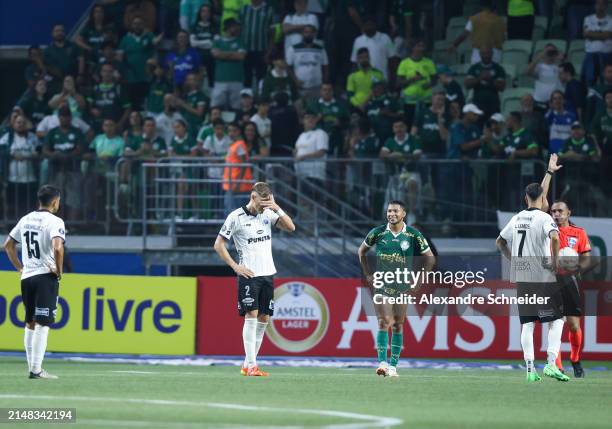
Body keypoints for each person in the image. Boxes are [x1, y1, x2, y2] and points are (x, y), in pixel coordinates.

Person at [214, 182, 295, 376]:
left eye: (268, 203)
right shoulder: (236, 217)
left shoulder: (268, 212)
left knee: (264, 318)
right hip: (249, 275)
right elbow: (218, 244)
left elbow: (291, 227)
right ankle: (251, 365)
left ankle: (247, 364)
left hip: (268, 273)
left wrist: (277, 208)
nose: (263, 207)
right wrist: (235, 266)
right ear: (253, 197)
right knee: (251, 316)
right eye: (262, 203)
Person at [496, 182, 569, 382]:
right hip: (542, 275)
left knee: (528, 324)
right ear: (543, 198)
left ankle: (530, 370)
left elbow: (500, 242)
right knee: (557, 320)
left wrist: (514, 260)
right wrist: (554, 262)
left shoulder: (517, 217)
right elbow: (554, 237)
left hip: (522, 275)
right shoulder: (545, 218)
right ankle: (551, 364)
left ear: (525, 197)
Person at [358, 200, 435, 378]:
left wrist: (419, 280)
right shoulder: (377, 233)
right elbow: (361, 251)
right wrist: (368, 274)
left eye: (395, 211)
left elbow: (430, 258)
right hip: (382, 284)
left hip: (402, 285)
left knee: (398, 325)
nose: (391, 214)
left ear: (403, 214)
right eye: (389, 211)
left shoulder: (413, 235)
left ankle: (393, 366)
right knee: (384, 321)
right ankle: (382, 363)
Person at [3, 185, 65, 379]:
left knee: (30, 322)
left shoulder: (26, 218)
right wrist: (59, 270)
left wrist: (20, 267)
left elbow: (8, 245)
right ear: (55, 201)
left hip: (27, 276)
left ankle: (33, 368)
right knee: (43, 323)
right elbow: (57, 247)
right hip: (45, 276)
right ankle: (36, 369)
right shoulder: (55, 221)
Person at [549, 200, 593, 378]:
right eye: (553, 211)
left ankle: (575, 359)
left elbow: (586, 258)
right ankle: (557, 366)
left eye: (560, 211)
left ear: (568, 213)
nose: (556, 214)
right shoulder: (548, 231)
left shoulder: (579, 233)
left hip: (570, 280)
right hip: (550, 281)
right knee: (555, 324)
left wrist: (577, 269)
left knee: (574, 326)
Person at [380, 119, 423, 223]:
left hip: (411, 172)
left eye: (401, 127)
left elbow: (417, 154)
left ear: (405, 128)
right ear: (393, 129)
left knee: (412, 184)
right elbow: (382, 154)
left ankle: (412, 214)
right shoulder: (390, 141)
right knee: (398, 197)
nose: (398, 129)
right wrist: (391, 156)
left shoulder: (413, 139)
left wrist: (401, 156)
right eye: (396, 127)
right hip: (396, 174)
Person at [118, 16, 162, 109]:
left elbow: (156, 46)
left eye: (139, 23)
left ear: (144, 25)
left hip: (146, 77)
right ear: (131, 25)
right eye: (135, 24)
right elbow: (120, 57)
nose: (137, 26)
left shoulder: (149, 36)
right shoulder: (125, 39)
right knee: (133, 104)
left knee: (146, 102)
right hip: (131, 77)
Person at [286, 24, 329, 101]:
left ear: (314, 34)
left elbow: (325, 67)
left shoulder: (320, 49)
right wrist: (295, 81)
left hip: (317, 86)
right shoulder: (293, 49)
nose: (308, 34)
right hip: (300, 86)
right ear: (302, 34)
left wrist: (324, 82)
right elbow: (288, 67)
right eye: (306, 32)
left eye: (310, 32)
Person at [211, 18, 246, 110]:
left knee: (237, 107)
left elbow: (241, 56)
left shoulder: (240, 41)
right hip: (220, 79)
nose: (238, 28)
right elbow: (216, 54)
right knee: (216, 107)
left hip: (237, 79)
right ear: (228, 27)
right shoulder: (218, 40)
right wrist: (233, 53)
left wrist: (223, 54)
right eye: (235, 26)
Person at [240, 0, 275, 88]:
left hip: (261, 51)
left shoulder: (269, 10)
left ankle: (261, 100)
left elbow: (272, 33)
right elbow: (238, 30)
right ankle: (246, 99)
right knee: (246, 78)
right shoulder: (244, 9)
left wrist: (269, 52)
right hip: (245, 51)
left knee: (261, 79)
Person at [307, 83, 350, 156]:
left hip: (336, 137)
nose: (327, 92)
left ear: (332, 91)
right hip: (318, 137)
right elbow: (307, 122)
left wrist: (340, 123)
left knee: (334, 161)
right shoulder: (313, 105)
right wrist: (317, 118)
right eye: (324, 90)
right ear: (320, 91)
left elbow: (347, 121)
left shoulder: (341, 104)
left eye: (329, 90)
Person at [87, 63, 131, 132]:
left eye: (110, 71)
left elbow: (128, 108)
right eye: (105, 71)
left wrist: (120, 123)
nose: (107, 74)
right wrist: (92, 110)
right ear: (101, 73)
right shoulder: (95, 89)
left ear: (113, 73)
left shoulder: (119, 88)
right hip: (98, 126)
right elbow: (88, 106)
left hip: (114, 127)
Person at [350, 16, 397, 80]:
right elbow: (354, 62)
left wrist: (392, 77)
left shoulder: (386, 38)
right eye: (366, 25)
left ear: (375, 25)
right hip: (362, 80)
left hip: (382, 79)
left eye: (370, 25)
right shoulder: (358, 41)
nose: (368, 27)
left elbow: (392, 59)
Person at [466, 47, 506, 120]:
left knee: (493, 128)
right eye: (483, 53)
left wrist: (490, 79)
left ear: (492, 54)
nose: (486, 56)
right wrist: (479, 78)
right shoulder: (474, 68)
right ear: (480, 54)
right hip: (478, 104)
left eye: (488, 53)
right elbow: (467, 85)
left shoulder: (498, 68)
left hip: (494, 104)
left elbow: (502, 87)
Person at [223, 122, 254, 213]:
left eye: (234, 131)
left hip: (238, 185)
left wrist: (238, 182)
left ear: (239, 132)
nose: (231, 133)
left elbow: (244, 164)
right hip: (232, 184)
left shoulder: (239, 145)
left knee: (235, 212)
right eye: (229, 131)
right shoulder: (234, 145)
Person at [43, 25, 85, 90]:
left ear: (64, 33)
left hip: (73, 81)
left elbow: (81, 59)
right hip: (56, 83)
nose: (59, 33)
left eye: (61, 31)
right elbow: (45, 67)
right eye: (57, 31)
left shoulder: (74, 46)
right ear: (52, 34)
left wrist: (80, 74)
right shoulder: (47, 51)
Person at [411, 91, 449, 158]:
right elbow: (413, 132)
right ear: (432, 100)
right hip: (423, 150)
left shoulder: (446, 115)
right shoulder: (422, 112)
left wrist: (440, 117)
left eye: (442, 100)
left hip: (439, 151)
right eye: (438, 99)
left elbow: (444, 137)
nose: (440, 102)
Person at [582, 0, 612, 86]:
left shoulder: (611, 19)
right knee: (589, 79)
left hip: (607, 54)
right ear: (595, 5)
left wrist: (593, 34)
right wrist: (602, 35)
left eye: (603, 4)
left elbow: (609, 35)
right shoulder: (588, 18)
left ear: (606, 6)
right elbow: (586, 34)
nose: (600, 6)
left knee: (607, 79)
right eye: (598, 3)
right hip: (591, 53)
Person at [526, 43, 562, 110]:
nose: (550, 54)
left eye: (552, 52)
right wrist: (539, 56)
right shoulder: (539, 67)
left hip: (553, 102)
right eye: (549, 52)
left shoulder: (559, 67)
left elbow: (565, 77)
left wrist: (560, 58)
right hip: (539, 101)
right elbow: (527, 72)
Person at [190, 4, 216, 88]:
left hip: (210, 57)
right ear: (200, 13)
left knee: (211, 81)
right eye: (203, 11)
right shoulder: (194, 26)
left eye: (207, 11)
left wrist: (199, 42)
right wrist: (207, 41)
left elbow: (213, 44)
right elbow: (193, 43)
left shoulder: (214, 27)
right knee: (197, 79)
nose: (205, 13)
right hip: (198, 57)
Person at [176, 72, 208, 137]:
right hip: (184, 125)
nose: (191, 82)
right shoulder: (185, 95)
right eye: (189, 80)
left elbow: (199, 113)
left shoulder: (200, 96)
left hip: (195, 125)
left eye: (193, 79)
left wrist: (183, 104)